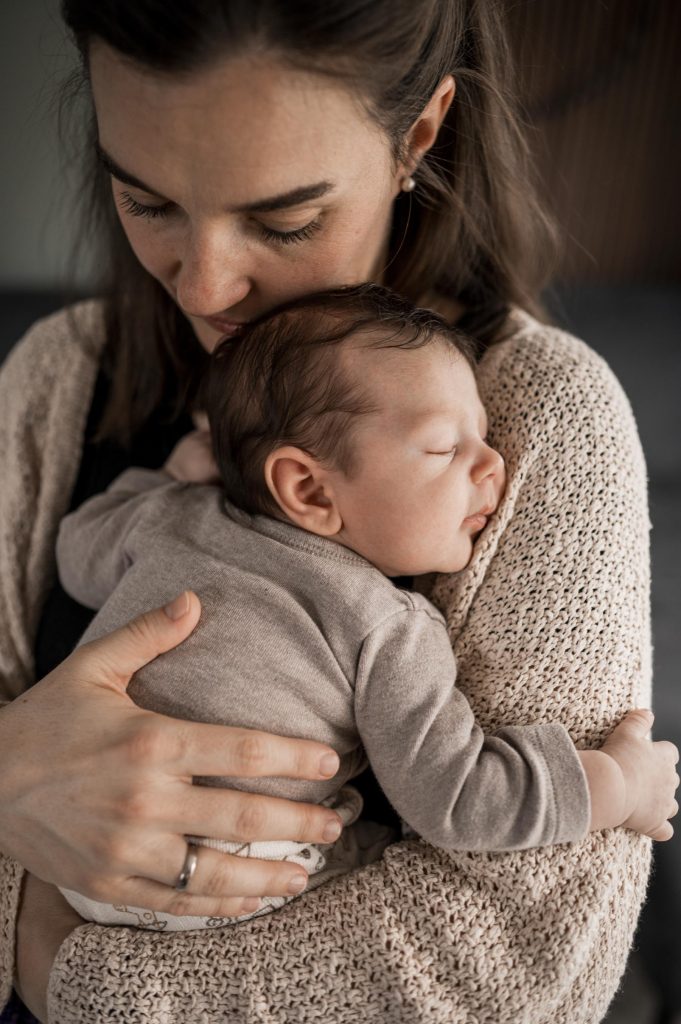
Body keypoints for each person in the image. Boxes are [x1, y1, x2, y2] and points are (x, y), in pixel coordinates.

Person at [1, 1, 677, 1021]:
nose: (207, 284)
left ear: (417, 134)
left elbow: (521, 972)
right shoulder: (61, 377)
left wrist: (66, 969)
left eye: (283, 219)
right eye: (147, 202)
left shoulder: (546, 424)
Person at [52, 283, 678, 935]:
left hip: (77, 837)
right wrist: (616, 784)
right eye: (443, 448)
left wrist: (172, 476)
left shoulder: (171, 517)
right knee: (376, 861)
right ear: (308, 488)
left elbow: (76, 552)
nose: (494, 464)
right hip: (222, 876)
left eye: (484, 438)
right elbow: (457, 798)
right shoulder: (385, 623)